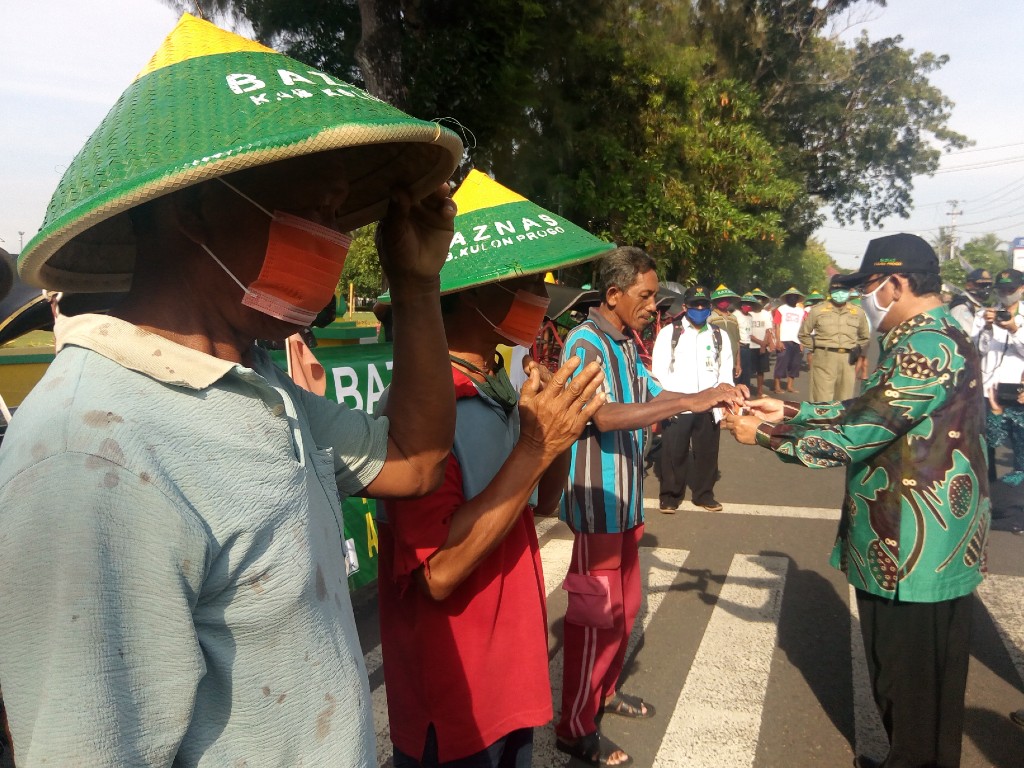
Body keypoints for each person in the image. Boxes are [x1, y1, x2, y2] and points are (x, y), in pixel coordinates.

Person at [0, 14, 465, 767]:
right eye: (314, 210)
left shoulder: (254, 384)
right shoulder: (86, 453)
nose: (336, 245)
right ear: (193, 209)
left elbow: (415, 460)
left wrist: (416, 282)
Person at [726, 233, 991, 768]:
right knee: (923, 690)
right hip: (913, 541)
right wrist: (792, 412)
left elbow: (862, 432)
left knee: (910, 686)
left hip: (914, 548)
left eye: (870, 286)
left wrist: (765, 437)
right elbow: (869, 409)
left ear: (895, 283)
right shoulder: (927, 337)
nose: (867, 299)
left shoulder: (927, 344)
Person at [377, 271, 605, 767]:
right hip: (457, 688)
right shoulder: (423, 407)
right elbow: (437, 573)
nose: (543, 301)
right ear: (472, 291)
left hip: (510, 667)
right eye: (527, 286)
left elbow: (542, 503)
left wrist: (559, 429)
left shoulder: (498, 388)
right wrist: (535, 445)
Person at [556, 247, 743, 767]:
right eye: (643, 296)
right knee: (595, 616)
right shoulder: (585, 343)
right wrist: (688, 401)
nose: (652, 304)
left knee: (626, 607)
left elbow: (652, 390)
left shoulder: (626, 340)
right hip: (598, 499)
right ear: (612, 295)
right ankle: (574, 726)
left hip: (627, 498)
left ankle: (605, 693)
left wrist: (711, 393)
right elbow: (607, 415)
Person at [650, 285, 733, 512]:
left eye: (703, 305)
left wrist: (724, 397)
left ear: (710, 307)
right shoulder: (670, 333)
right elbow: (659, 370)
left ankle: (704, 494)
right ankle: (670, 496)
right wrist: (667, 402)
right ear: (685, 306)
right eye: (694, 304)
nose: (699, 308)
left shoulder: (719, 335)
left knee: (707, 452)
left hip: (709, 404)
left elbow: (725, 369)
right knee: (672, 452)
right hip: (679, 403)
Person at [975, 268, 1024, 484]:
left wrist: (1014, 329)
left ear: (1021, 289)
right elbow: (977, 350)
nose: (1006, 293)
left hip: (1018, 393)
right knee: (986, 452)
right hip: (988, 392)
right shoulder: (983, 314)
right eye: (1002, 289)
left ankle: (1018, 501)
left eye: (1011, 289)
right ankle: (991, 498)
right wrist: (987, 326)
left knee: (1020, 451)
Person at [798, 276, 870, 402]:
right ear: (830, 291)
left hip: (848, 359)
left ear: (849, 291)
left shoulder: (858, 312)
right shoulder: (818, 310)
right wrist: (816, 347)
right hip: (824, 357)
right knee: (821, 398)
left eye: (843, 289)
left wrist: (857, 349)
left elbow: (865, 337)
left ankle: (839, 422)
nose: (840, 293)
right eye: (836, 289)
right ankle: (820, 421)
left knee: (845, 399)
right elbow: (803, 334)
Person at [772, 286, 806, 394]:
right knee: (781, 363)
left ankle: (790, 386)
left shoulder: (801, 311)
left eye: (794, 297)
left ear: (797, 299)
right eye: (790, 297)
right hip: (784, 340)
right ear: (786, 298)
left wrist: (802, 342)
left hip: (797, 341)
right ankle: (777, 386)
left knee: (795, 365)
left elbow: (804, 326)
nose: (792, 299)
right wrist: (778, 341)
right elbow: (777, 325)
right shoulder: (781, 309)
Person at [709, 284, 742, 381]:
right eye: (720, 299)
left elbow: (737, 342)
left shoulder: (734, 318)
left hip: (732, 358)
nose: (723, 302)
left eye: (726, 299)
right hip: (716, 358)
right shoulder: (710, 317)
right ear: (715, 301)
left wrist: (738, 363)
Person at [748, 288, 776, 397]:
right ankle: (747, 391)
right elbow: (748, 333)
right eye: (756, 299)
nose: (758, 302)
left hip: (762, 347)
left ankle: (759, 391)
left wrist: (765, 344)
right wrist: (761, 343)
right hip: (751, 346)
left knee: (761, 371)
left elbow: (768, 330)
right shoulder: (749, 314)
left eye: (760, 300)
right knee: (749, 371)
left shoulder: (766, 314)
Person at [949, 267, 992, 333]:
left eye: (988, 285)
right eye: (982, 285)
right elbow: (966, 336)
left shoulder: (976, 305)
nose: (986, 289)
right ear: (968, 285)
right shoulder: (962, 307)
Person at [733, 292, 758, 389]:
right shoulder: (736, 315)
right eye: (745, 304)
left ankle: (745, 394)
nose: (748, 306)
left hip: (748, 347)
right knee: (738, 372)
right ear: (741, 305)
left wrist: (761, 343)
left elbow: (750, 334)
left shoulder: (750, 317)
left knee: (747, 374)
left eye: (750, 304)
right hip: (740, 346)